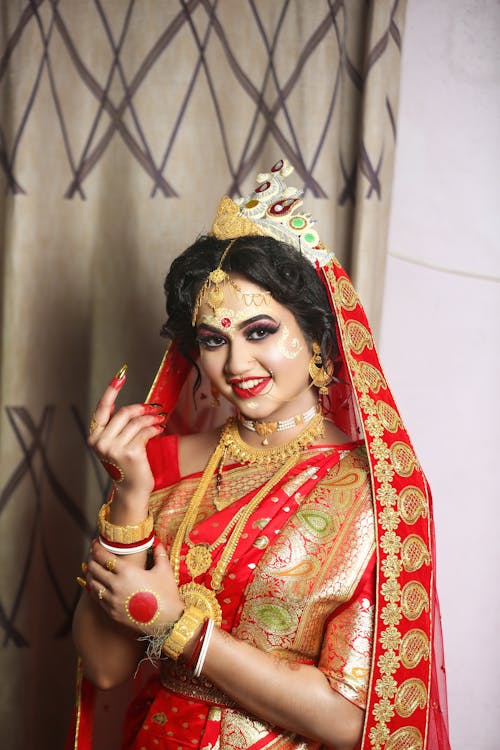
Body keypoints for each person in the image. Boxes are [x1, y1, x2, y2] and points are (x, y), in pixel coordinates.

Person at [70, 160, 451, 750]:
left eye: (260, 331)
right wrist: (130, 496)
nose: (237, 364)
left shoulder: (379, 495)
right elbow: (107, 668)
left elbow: (355, 724)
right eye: (214, 340)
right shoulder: (164, 465)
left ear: (318, 336)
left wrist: (182, 630)